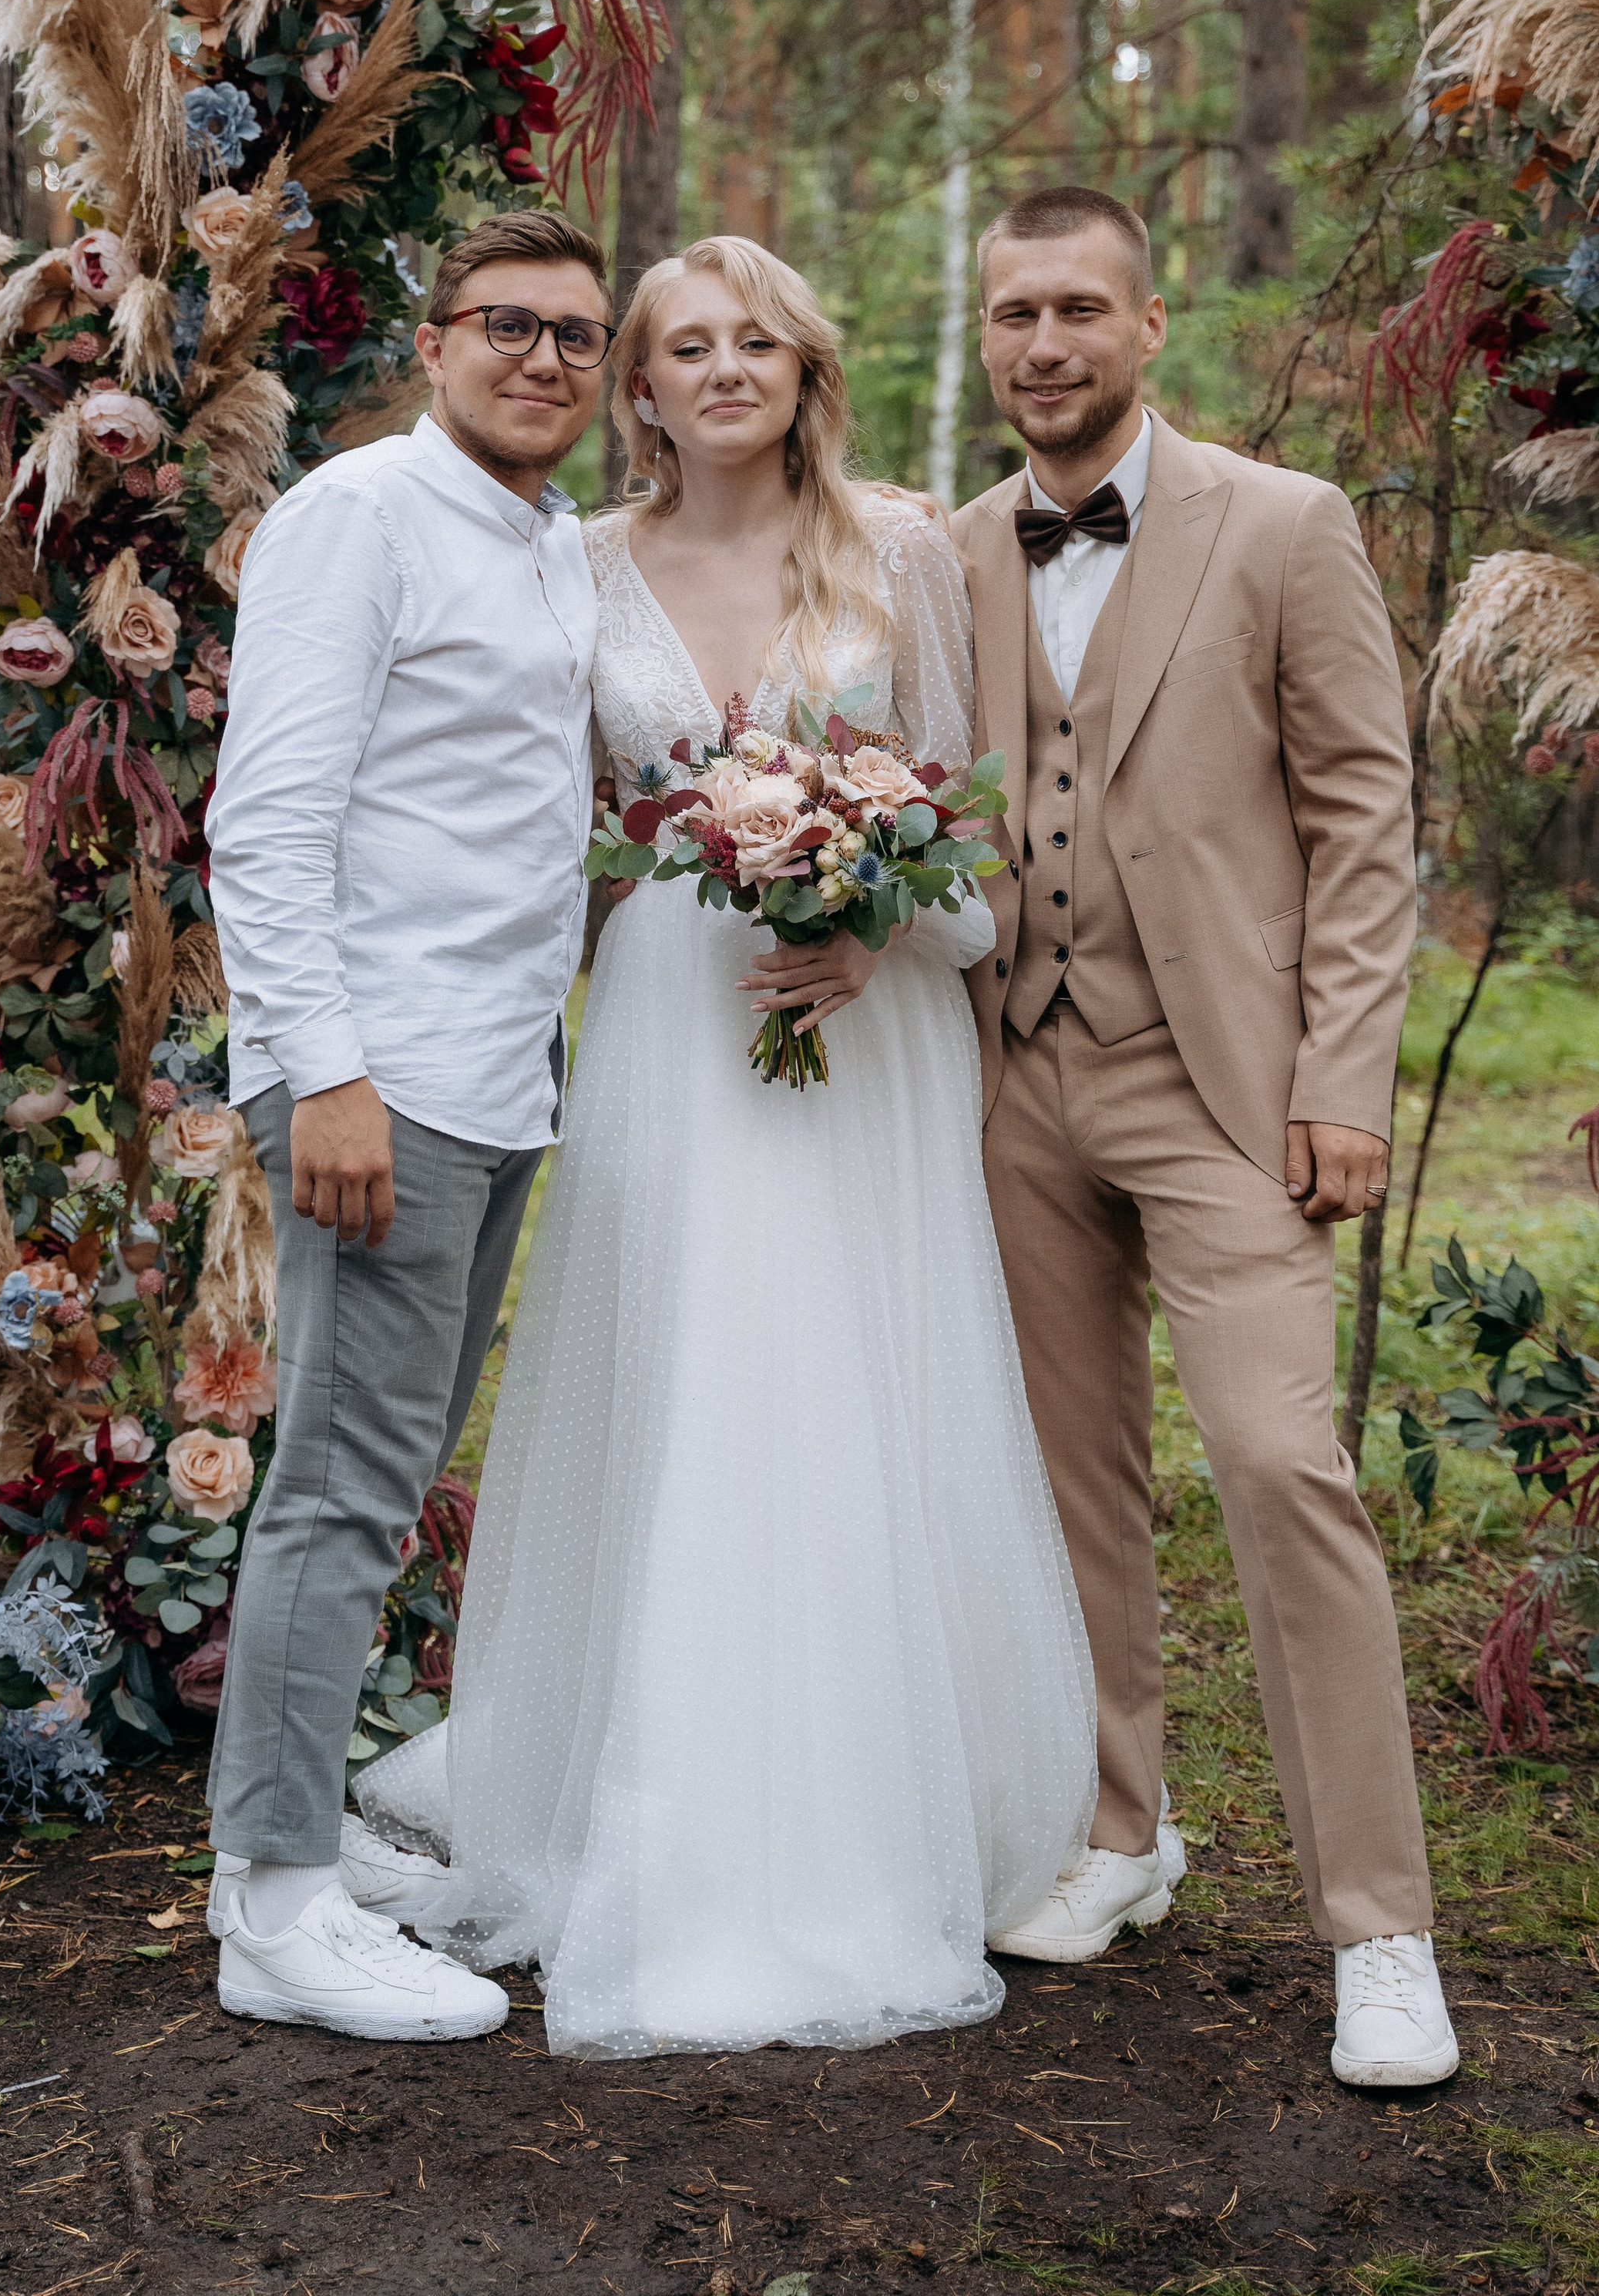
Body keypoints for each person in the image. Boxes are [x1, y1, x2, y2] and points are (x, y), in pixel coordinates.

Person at [358, 234, 1097, 2062]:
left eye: (756, 337)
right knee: (676, 1390)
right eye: (682, 345)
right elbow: (530, 808)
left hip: (868, 1032)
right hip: (669, 1029)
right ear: (638, 386)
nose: (721, 369)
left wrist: (871, 921)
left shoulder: (902, 557)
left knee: (850, 1397)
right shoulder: (572, 565)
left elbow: (977, 864)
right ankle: (655, 1805)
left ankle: (872, 1810)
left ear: (803, 365)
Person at [949, 183, 1459, 2092]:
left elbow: (1359, 816)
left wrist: (1339, 1081)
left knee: (1274, 1464)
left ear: (1147, 327)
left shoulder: (1281, 523)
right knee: (1062, 1484)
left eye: (1079, 307)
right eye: (1014, 314)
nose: (1044, 345)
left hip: (1228, 1090)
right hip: (1016, 1082)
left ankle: (1378, 1928)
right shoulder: (951, 551)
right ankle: (1114, 1831)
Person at [201, 207, 616, 2041]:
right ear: (433, 341)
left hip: (495, 1073)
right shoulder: (356, 517)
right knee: (343, 1493)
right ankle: (278, 1912)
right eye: (510, 325)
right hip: (386, 1082)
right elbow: (266, 820)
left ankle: (274, 1840)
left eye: (578, 337)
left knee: (384, 1477)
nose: (546, 359)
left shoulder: (542, 543)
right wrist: (327, 1073)